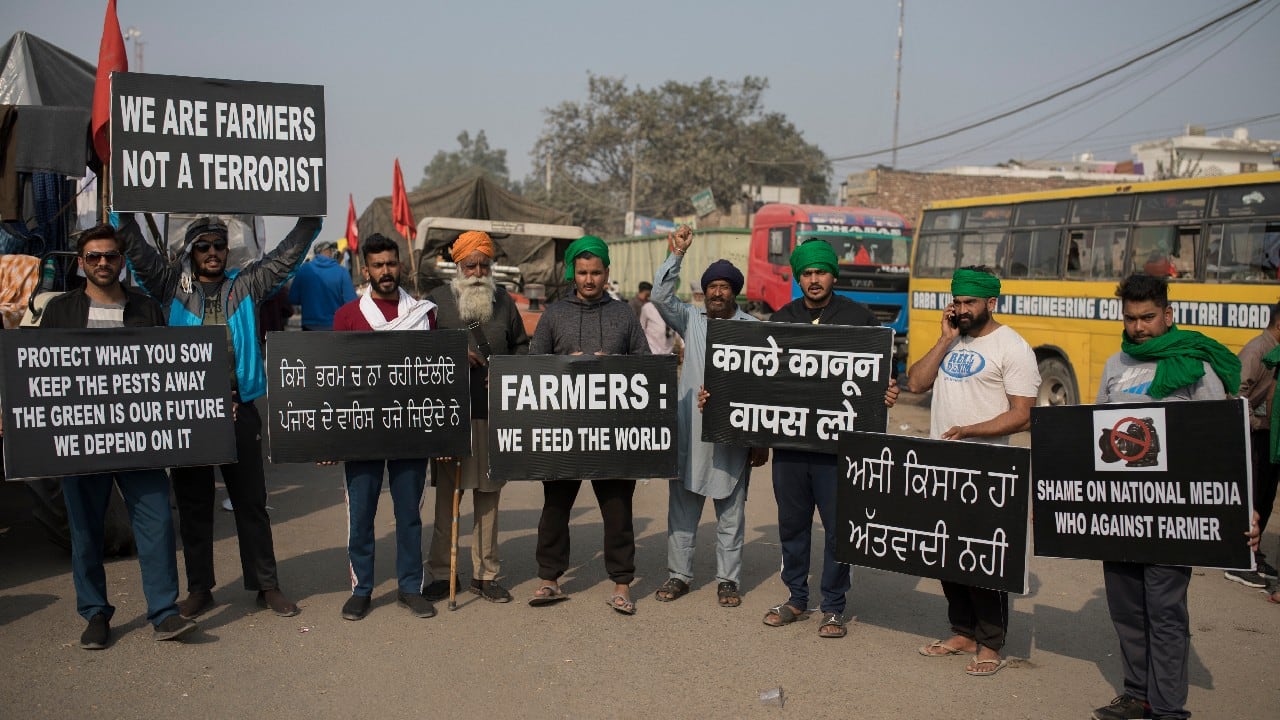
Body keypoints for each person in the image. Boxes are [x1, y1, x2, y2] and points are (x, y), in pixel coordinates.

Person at [121, 213, 321, 619]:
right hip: (189, 411)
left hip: (240, 406)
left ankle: (266, 585)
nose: (212, 252)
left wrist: (308, 220)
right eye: (203, 246)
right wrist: (123, 209)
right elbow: (138, 252)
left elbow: (285, 260)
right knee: (194, 504)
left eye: (218, 245)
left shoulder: (246, 284)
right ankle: (200, 589)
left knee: (251, 501)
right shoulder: (169, 286)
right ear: (191, 251)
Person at [27, 223, 196, 648]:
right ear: (81, 263)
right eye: (94, 257)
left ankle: (164, 612)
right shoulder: (59, 311)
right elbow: (36, 374)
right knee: (84, 531)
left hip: (140, 440)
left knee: (157, 522)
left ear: (122, 262)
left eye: (111, 257)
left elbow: (165, 373)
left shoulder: (146, 308)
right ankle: (96, 614)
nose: (103, 263)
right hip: (81, 440)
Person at [1090, 273, 1246, 720]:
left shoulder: (1194, 362)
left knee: (1165, 611)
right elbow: (1095, 432)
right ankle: (1138, 694)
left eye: (1148, 317)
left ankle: (1169, 709)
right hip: (1119, 510)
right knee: (1125, 608)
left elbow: (1219, 438)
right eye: (1131, 318)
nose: (1138, 327)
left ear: (1168, 314)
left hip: (1173, 511)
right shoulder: (1116, 364)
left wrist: (1238, 507)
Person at [905, 266, 1040, 677]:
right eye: (958, 302)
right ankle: (962, 631)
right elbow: (915, 384)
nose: (962, 310)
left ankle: (991, 644)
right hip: (942, 466)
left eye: (971, 303)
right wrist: (944, 340)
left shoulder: (1012, 346)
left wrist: (969, 431)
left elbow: (1023, 416)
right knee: (947, 553)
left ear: (991, 303)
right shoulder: (952, 340)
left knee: (984, 559)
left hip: (989, 471)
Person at [762, 239, 898, 639]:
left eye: (820, 272)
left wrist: (888, 390)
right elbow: (757, 378)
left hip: (838, 449)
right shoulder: (782, 319)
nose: (814, 280)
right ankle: (796, 598)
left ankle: (834, 606)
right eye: (806, 273)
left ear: (832, 275)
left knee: (840, 528)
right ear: (798, 277)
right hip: (791, 446)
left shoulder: (860, 319)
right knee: (792, 524)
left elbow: (881, 376)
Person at [527, 235, 649, 615]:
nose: (589, 279)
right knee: (555, 508)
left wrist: (609, 363)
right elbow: (533, 368)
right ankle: (549, 580)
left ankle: (622, 584)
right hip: (563, 431)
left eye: (596, 272)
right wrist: (567, 364)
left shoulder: (624, 315)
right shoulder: (553, 315)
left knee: (617, 511)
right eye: (582, 272)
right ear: (572, 274)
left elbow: (645, 365)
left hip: (612, 433)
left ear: (607, 273)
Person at [649, 226, 766, 608]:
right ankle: (678, 575)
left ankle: (727, 580)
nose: (717, 293)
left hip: (733, 437)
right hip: (691, 433)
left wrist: (760, 437)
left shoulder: (755, 331)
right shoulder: (691, 320)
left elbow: (768, 388)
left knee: (731, 513)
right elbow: (660, 295)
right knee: (682, 509)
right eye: (711, 286)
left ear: (735, 291)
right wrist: (677, 255)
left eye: (724, 287)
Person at [330, 233, 437, 620]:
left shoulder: (425, 314)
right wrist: (330, 441)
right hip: (362, 433)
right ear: (366, 269)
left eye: (391, 263)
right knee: (361, 515)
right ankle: (361, 588)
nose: (386, 271)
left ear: (400, 265)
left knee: (409, 514)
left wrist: (439, 431)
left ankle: (411, 586)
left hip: (410, 430)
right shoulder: (348, 316)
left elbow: (434, 376)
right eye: (378, 265)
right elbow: (335, 381)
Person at [424, 230, 529, 604]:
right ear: (458, 265)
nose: (479, 270)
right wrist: (453, 353)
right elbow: (418, 352)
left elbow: (520, 345)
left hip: (490, 415)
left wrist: (506, 369)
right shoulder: (435, 302)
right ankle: (439, 573)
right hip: (449, 417)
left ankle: (485, 575)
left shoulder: (504, 302)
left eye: (485, 263)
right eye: (472, 264)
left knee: (488, 498)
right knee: (446, 499)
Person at [1226, 302, 1280, 588]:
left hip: (1269, 435)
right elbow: (1236, 391)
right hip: (1253, 435)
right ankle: (1240, 560)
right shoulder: (1257, 350)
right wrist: (1249, 427)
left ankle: (1254, 554)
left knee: (1266, 496)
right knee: (1253, 498)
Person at [289, 239, 356, 330]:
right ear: (329, 252)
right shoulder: (342, 272)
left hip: (309, 327)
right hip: (335, 326)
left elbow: (293, 298)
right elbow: (351, 302)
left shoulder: (304, 269)